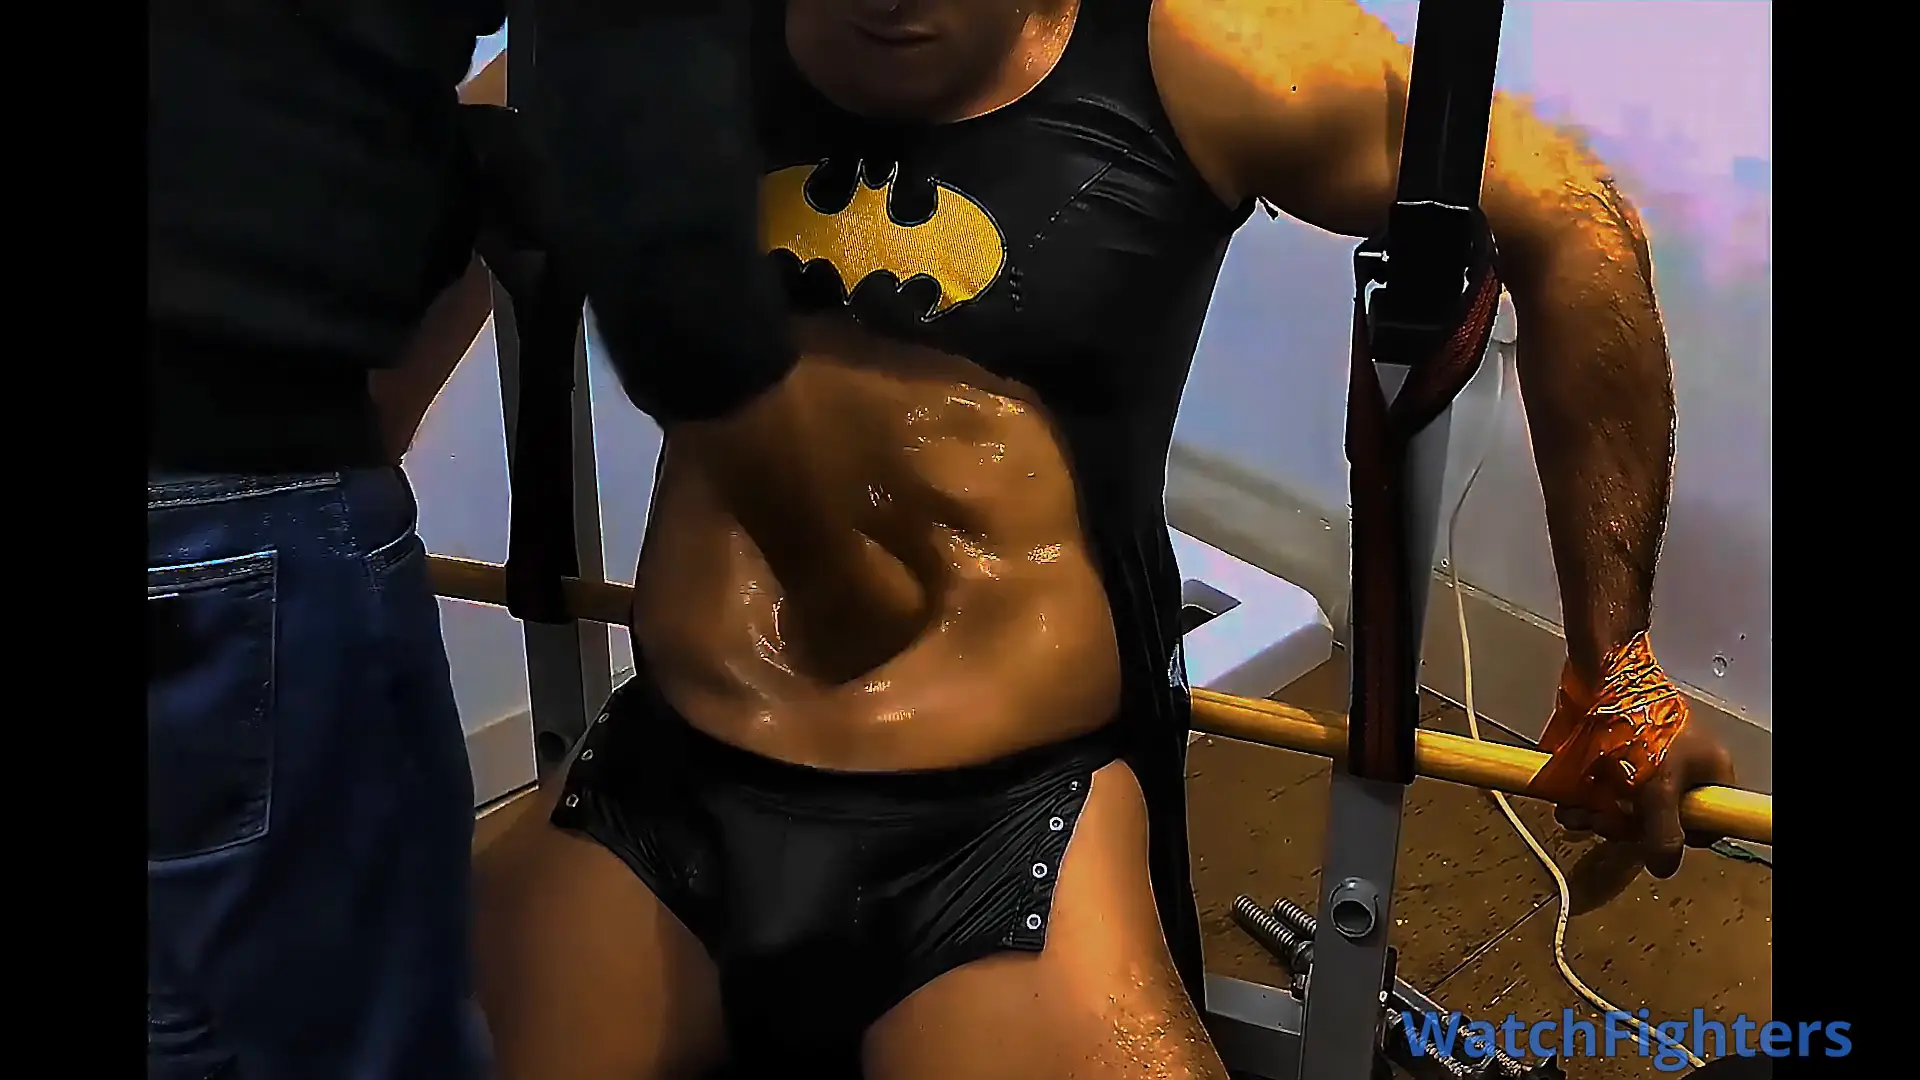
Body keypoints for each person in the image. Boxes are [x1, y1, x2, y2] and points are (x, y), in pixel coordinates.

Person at [457, 1, 1741, 1078]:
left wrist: (1613, 664)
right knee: (360, 1012)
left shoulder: (1202, 52)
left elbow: (1572, 217)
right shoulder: (644, 43)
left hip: (999, 840)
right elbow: (407, 200)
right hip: (671, 789)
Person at [148, 4, 836, 1077]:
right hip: (231, 498)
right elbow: (654, 210)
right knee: (323, 1037)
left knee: (194, 1013)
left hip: (237, 495)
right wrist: (840, 582)